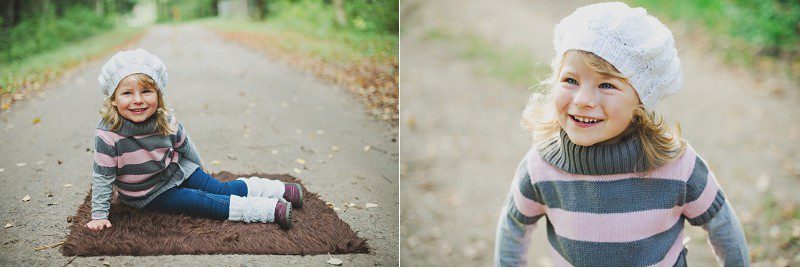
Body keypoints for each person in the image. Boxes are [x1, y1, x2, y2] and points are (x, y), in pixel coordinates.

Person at [494, 2, 749, 266]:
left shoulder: (677, 167)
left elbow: (722, 224)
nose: (583, 99)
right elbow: (512, 226)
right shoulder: (540, 167)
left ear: (640, 103)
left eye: (606, 84)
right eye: (571, 80)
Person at [85, 48, 303, 231]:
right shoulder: (108, 135)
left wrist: (199, 171)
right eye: (127, 93)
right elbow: (103, 178)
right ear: (113, 100)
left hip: (177, 168)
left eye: (146, 91)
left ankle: (280, 190)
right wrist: (99, 215)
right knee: (199, 201)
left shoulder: (165, 121)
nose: (138, 100)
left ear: (158, 95)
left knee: (218, 189)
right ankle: (269, 210)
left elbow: (186, 146)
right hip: (149, 193)